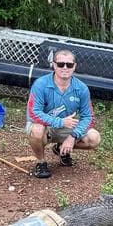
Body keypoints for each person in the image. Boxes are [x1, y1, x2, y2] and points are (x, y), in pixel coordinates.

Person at [25, 48, 101, 178]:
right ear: (54, 65)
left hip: (67, 127)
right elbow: (33, 113)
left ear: (74, 67)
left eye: (69, 64)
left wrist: (72, 137)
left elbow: (88, 117)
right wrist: (60, 121)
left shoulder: (81, 88)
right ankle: (41, 162)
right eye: (60, 64)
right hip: (45, 126)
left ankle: (61, 148)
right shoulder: (41, 84)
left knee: (94, 138)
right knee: (37, 130)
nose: (65, 68)